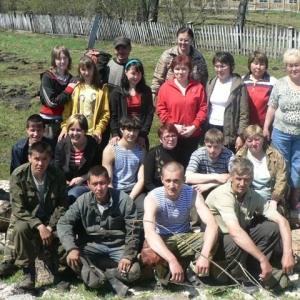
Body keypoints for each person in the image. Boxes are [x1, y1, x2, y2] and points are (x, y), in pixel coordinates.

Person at [205, 158, 294, 292]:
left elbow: (282, 221)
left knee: (272, 228)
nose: (242, 183)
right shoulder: (223, 195)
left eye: (247, 179)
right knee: (234, 239)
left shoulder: (253, 195)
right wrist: (263, 259)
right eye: (238, 179)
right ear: (230, 177)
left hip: (238, 234)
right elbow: (235, 232)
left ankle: (254, 268)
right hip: (217, 241)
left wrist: (288, 253)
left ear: (252, 179)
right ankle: (241, 277)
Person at [57, 165, 141, 296]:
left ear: (108, 181)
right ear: (89, 184)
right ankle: (107, 280)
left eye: (102, 183)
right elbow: (64, 223)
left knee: (134, 271)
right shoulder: (82, 201)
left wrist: (127, 256)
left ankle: (102, 276)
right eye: (95, 184)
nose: (99, 188)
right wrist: (71, 248)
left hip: (117, 246)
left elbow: (133, 230)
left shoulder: (124, 200)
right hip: (92, 246)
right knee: (72, 259)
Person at [143, 162, 218, 289]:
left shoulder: (192, 194)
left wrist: (204, 254)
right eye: (168, 181)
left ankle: (193, 272)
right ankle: (163, 278)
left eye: (176, 181)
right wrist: (172, 260)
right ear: (162, 179)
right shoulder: (153, 198)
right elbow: (149, 232)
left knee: (213, 238)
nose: (172, 186)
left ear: (183, 180)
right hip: (163, 237)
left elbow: (212, 224)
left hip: (185, 237)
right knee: (149, 250)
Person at [9, 141, 70, 290]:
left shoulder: (57, 174)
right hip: (29, 219)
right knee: (20, 229)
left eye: (44, 159)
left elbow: (63, 204)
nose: (40, 163)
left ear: (50, 159)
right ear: (29, 157)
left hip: (51, 218)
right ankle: (28, 273)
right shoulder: (19, 175)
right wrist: (39, 226)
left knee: (63, 234)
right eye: (36, 158)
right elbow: (18, 208)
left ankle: (58, 271)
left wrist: (50, 226)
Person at [264, 48, 300, 210]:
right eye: (290, 65)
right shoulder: (280, 83)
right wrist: (266, 127)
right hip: (281, 132)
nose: (294, 68)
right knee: (281, 165)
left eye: (297, 65)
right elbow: (272, 107)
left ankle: (293, 195)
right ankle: (280, 196)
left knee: (297, 165)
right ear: (286, 66)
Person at [156, 54, 207, 168]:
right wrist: (174, 125)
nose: (180, 72)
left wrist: (194, 126)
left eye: (184, 68)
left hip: (192, 133)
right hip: (173, 134)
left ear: (189, 70)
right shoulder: (165, 87)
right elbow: (161, 109)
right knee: (173, 164)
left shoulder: (198, 87)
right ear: (173, 70)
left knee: (191, 164)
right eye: (177, 69)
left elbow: (203, 108)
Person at [58, 55, 110, 146]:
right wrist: (65, 128)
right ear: (79, 70)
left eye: (89, 69)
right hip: (76, 133)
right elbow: (67, 111)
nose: (86, 72)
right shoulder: (75, 86)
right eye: (83, 69)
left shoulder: (102, 88)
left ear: (94, 69)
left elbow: (105, 113)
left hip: (93, 134)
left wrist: (99, 129)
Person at [102, 115, 146, 220]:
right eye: (129, 130)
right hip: (114, 190)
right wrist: (116, 198)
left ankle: (138, 235)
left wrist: (130, 198)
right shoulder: (110, 150)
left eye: (135, 130)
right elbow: (108, 180)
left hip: (133, 189)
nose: (132, 134)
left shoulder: (142, 150)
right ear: (122, 130)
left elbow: (141, 180)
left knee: (144, 208)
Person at [236, 125, 287, 211]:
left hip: (271, 198)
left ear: (263, 139)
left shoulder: (275, 155)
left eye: (257, 139)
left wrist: (274, 200)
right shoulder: (240, 157)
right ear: (245, 141)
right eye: (250, 141)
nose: (254, 144)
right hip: (248, 199)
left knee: (275, 220)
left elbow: (281, 178)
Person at [206, 51, 249, 153]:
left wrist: (240, 135)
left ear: (230, 66)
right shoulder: (211, 83)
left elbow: (244, 113)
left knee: (229, 162)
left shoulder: (239, 85)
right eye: (216, 66)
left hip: (229, 130)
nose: (219, 69)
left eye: (223, 66)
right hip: (212, 127)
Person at [151, 26, 208, 102]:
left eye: (186, 40)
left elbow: (204, 80)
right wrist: (153, 97)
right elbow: (158, 78)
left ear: (191, 40)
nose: (183, 43)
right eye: (180, 40)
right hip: (171, 97)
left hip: (192, 99)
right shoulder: (168, 55)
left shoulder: (198, 57)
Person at [55, 114, 102, 204]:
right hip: (64, 183)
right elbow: (57, 167)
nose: (75, 133)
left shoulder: (93, 146)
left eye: (78, 130)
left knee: (72, 195)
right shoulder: (61, 145)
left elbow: (98, 169)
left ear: (85, 131)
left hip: (85, 183)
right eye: (72, 130)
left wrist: (82, 178)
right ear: (68, 131)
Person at [109, 58, 154, 150]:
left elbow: (149, 114)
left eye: (139, 73)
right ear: (126, 72)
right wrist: (115, 134)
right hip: (122, 134)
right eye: (133, 73)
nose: (136, 77)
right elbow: (113, 116)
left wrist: (143, 135)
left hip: (140, 134)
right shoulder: (117, 93)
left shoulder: (146, 91)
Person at [40, 45, 77, 142]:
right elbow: (52, 103)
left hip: (67, 122)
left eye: (65, 58)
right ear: (53, 60)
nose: (62, 61)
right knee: (49, 152)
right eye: (59, 58)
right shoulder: (47, 77)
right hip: (49, 123)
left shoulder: (71, 79)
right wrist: (69, 89)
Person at [185, 128, 233, 198]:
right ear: (205, 143)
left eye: (216, 146)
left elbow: (234, 177)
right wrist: (217, 177)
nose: (212, 150)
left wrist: (210, 185)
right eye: (209, 146)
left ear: (223, 144)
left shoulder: (228, 155)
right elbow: (188, 177)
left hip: (220, 189)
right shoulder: (198, 154)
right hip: (200, 189)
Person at [144, 123, 184, 192]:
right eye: (167, 136)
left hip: (178, 191)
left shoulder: (183, 152)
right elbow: (148, 182)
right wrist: (162, 194)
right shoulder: (153, 154)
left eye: (173, 135)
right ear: (160, 139)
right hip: (157, 192)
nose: (171, 139)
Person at [242, 51, 277, 127]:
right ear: (250, 64)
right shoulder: (242, 81)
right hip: (245, 126)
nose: (258, 67)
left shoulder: (273, 82)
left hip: (264, 126)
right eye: (255, 63)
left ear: (266, 66)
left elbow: (275, 106)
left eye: (262, 64)